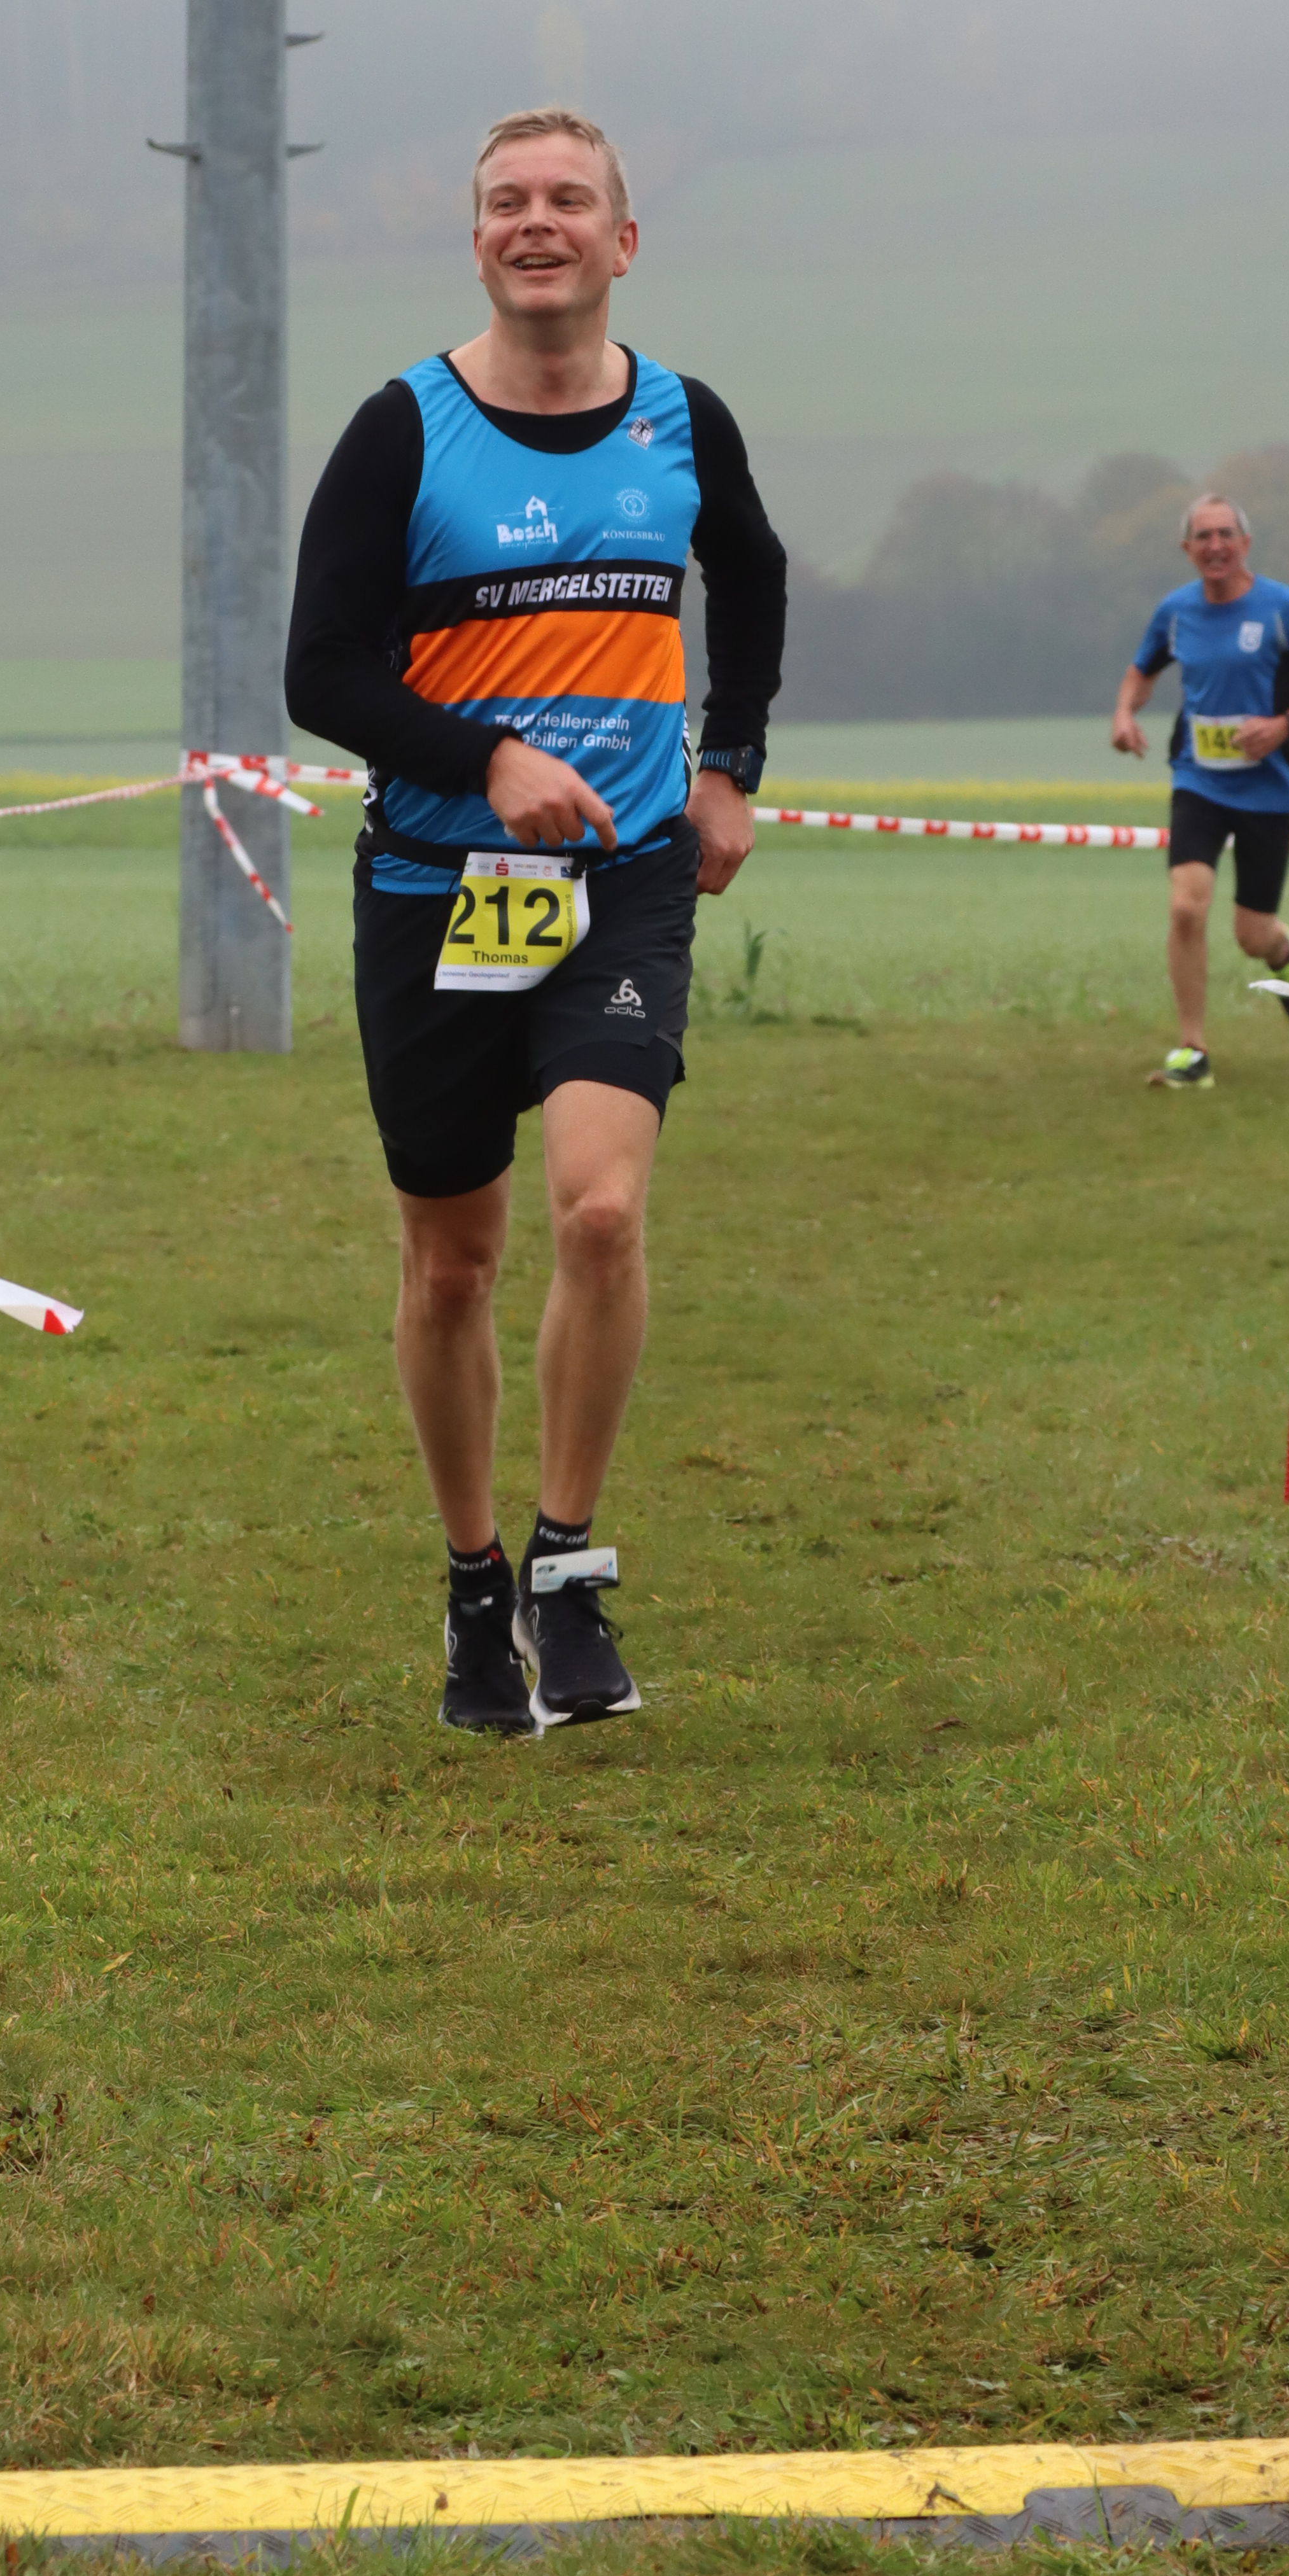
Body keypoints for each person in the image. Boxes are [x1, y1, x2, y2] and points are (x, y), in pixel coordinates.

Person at [285, 106, 787, 1732]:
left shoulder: (683, 421)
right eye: (507, 200)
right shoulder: (403, 431)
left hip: (623, 884)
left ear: (622, 240)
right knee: (452, 1265)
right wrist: (486, 759)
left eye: (569, 198)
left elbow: (754, 576)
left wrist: (729, 764)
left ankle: (567, 1574)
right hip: (436, 893)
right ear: (478, 241)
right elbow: (320, 671)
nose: (536, 221)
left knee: (600, 1215)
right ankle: (469, 1582)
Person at [1109, 491, 1289, 1089]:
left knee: (1251, 935)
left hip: (1268, 790)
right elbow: (1141, 670)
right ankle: (1193, 1051)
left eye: (1225, 535)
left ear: (1245, 543)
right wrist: (1125, 713)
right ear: (1187, 548)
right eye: (1203, 537)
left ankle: (1281, 955)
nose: (1215, 546)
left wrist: (1283, 726)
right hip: (1199, 780)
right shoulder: (1175, 612)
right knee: (1186, 907)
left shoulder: (1282, 608)